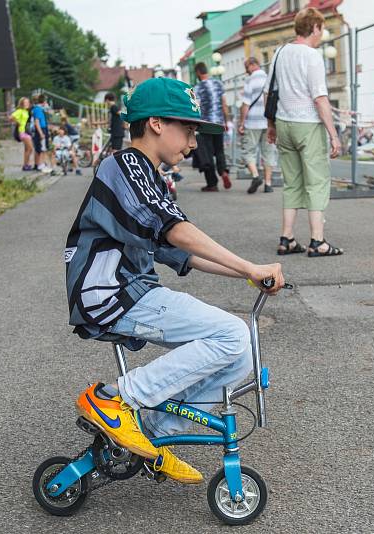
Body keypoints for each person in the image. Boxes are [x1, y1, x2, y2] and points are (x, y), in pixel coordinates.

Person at [65, 77, 285, 483]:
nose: (193, 141)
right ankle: (115, 399)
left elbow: (182, 254)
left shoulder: (149, 175)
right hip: (111, 293)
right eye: (188, 129)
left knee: (244, 353)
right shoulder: (123, 166)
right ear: (155, 124)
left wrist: (247, 272)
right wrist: (250, 268)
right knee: (233, 335)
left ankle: (150, 434)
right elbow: (174, 230)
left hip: (134, 291)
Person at [265, 7, 343, 257]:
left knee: (292, 183)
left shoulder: (280, 53)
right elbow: (319, 98)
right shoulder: (312, 55)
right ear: (315, 28)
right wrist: (333, 134)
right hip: (307, 124)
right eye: (322, 29)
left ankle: (286, 238)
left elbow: (269, 91)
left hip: (283, 122)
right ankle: (318, 241)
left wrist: (272, 125)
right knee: (317, 181)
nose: (322, 34)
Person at [238, 57, 276, 194]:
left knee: (249, 151)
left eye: (246, 67)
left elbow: (246, 104)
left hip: (252, 122)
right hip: (269, 122)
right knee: (269, 152)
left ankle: (255, 176)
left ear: (253, 65)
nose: (245, 71)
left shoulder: (250, 80)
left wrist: (241, 123)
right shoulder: (270, 78)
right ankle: (268, 184)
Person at [192, 62, 231, 192]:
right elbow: (224, 104)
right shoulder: (218, 84)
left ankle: (212, 184)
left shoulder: (197, 88)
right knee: (219, 150)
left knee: (207, 154)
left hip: (205, 125)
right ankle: (223, 171)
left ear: (198, 72)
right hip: (218, 123)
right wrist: (227, 121)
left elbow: (196, 108)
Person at [10, 97, 34, 171]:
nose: (27, 104)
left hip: (26, 131)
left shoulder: (26, 111)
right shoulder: (20, 111)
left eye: (28, 102)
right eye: (25, 102)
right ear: (22, 103)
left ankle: (26, 164)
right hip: (22, 131)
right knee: (30, 148)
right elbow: (11, 117)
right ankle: (26, 164)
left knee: (27, 149)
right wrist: (18, 122)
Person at [31, 94, 51, 173]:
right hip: (41, 129)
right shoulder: (38, 109)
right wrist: (41, 133)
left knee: (41, 148)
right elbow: (37, 122)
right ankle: (41, 165)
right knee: (42, 148)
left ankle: (39, 164)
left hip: (43, 128)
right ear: (43, 101)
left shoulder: (40, 109)